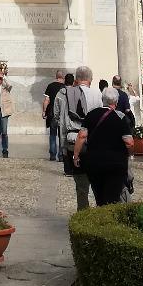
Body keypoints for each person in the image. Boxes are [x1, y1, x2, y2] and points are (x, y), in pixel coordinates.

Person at [73, 84, 134, 205]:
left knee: (99, 197)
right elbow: (129, 142)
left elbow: (81, 136)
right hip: (115, 164)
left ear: (102, 100)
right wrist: (129, 154)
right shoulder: (121, 117)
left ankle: (100, 214)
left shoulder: (91, 114)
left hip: (94, 162)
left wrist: (76, 155)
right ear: (116, 101)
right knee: (112, 197)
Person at [58, 66, 99, 209]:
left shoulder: (67, 94)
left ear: (76, 79)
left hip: (73, 140)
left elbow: (63, 122)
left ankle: (83, 211)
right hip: (93, 141)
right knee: (96, 180)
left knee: (80, 184)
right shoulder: (97, 94)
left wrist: (63, 147)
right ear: (90, 79)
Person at [42, 71, 67, 162]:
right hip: (62, 115)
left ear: (56, 76)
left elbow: (46, 100)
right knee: (62, 135)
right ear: (63, 77)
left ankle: (52, 155)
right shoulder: (65, 87)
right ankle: (61, 156)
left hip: (52, 114)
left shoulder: (50, 86)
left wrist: (44, 111)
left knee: (52, 135)